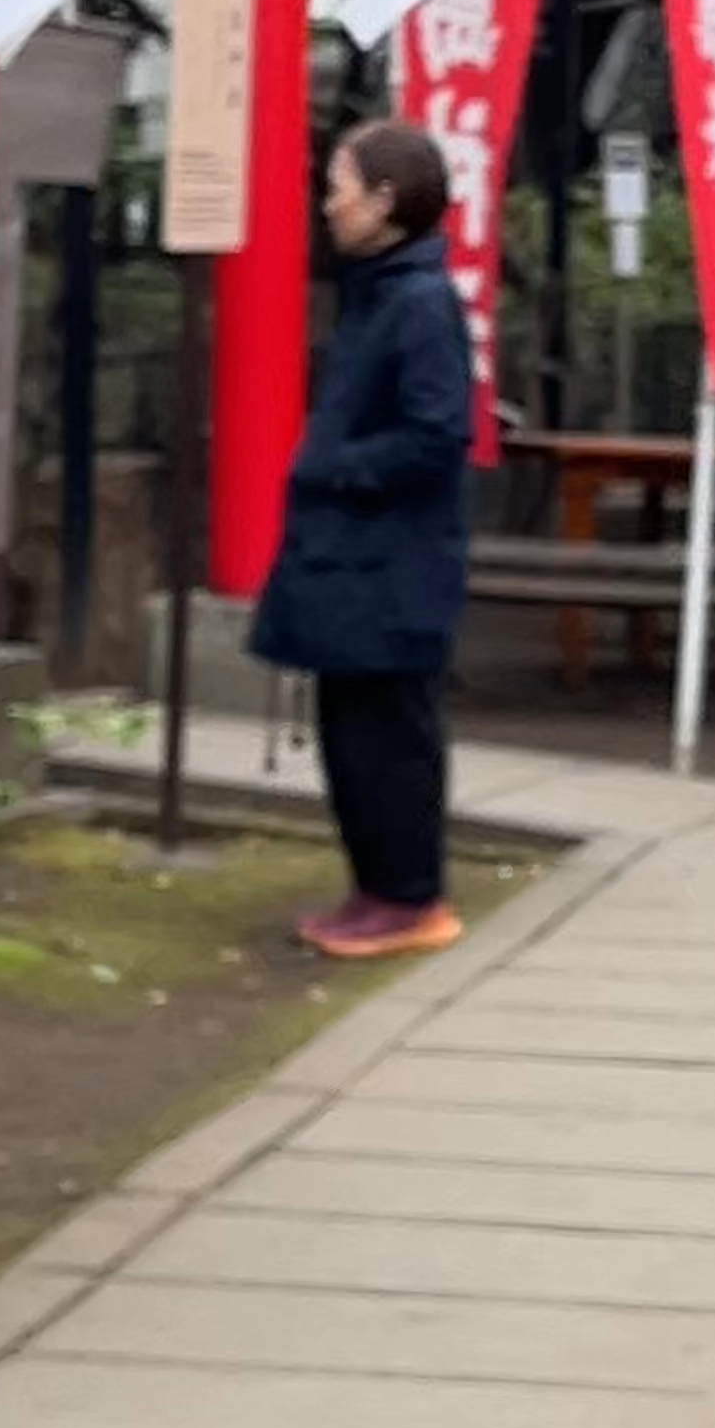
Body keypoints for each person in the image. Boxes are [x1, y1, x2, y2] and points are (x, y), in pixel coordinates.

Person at [246, 114, 474, 959]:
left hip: (390, 559)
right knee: (352, 731)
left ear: (384, 199)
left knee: (388, 734)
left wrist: (335, 467)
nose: (328, 204)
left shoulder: (418, 303)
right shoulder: (382, 292)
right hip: (357, 554)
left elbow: (436, 431)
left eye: (338, 187)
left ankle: (410, 895)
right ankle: (377, 888)